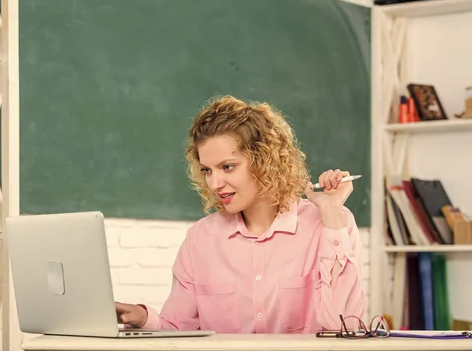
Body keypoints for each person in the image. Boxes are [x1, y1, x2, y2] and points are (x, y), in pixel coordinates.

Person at [115, 95, 365, 333]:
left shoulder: (328, 224)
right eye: (207, 170)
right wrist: (144, 318)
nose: (215, 183)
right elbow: (179, 331)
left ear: (265, 160)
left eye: (227, 167)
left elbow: (345, 329)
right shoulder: (200, 239)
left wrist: (332, 212)